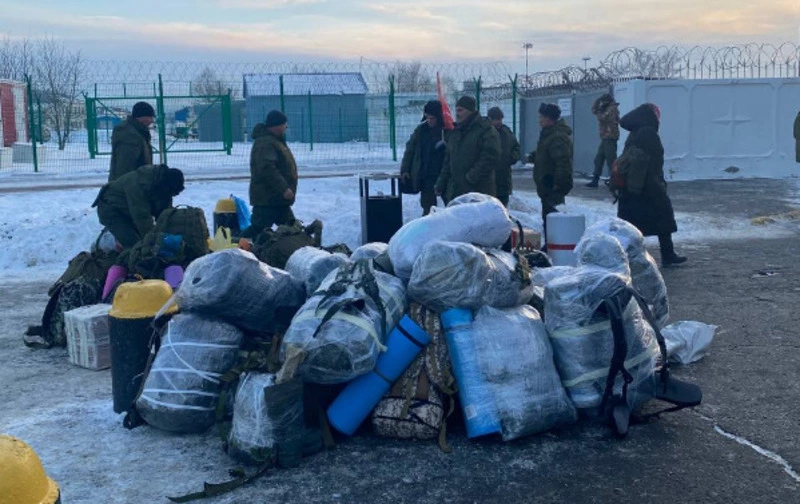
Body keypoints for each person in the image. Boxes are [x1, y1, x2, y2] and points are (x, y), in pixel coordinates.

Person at [617, 103, 687, 266]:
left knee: (633, 223)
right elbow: (653, 162)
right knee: (663, 217)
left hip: (633, 185)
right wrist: (658, 184)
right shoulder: (648, 133)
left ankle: (630, 256)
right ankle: (667, 255)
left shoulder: (635, 131)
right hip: (647, 185)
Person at [93, 164, 185, 249]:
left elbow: (165, 213)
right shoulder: (138, 185)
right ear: (166, 186)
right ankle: (105, 247)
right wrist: (154, 242)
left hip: (128, 210)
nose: (171, 196)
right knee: (135, 245)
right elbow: (142, 218)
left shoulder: (162, 185)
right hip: (110, 210)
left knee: (144, 240)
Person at [435, 96, 500, 203]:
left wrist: (470, 177)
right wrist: (441, 182)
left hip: (478, 192)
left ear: (470, 111)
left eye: (460, 110)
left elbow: (490, 157)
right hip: (457, 191)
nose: (457, 114)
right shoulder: (455, 132)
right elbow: (448, 160)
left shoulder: (485, 130)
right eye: (456, 110)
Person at [245, 110, 299, 237]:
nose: (286, 127)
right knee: (258, 230)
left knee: (291, 229)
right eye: (284, 124)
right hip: (267, 198)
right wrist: (284, 188)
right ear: (277, 125)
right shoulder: (265, 143)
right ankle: (235, 248)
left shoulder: (274, 141)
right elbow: (267, 169)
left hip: (276, 199)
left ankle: (291, 251)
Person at [529, 103, 573, 248]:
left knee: (554, 220)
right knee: (548, 219)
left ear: (550, 119)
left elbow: (563, 162)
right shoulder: (548, 134)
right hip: (547, 187)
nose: (539, 120)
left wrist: (557, 184)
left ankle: (555, 248)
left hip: (553, 188)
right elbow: (549, 155)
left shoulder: (557, 136)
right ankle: (551, 246)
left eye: (542, 117)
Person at [400, 100, 447, 215]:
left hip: (445, 174)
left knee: (451, 205)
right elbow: (410, 150)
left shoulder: (446, 131)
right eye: (428, 117)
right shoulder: (421, 131)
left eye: (433, 118)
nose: (430, 120)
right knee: (428, 207)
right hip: (427, 176)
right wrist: (405, 169)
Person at [108, 101, 155, 182]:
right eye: (149, 117)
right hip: (130, 187)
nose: (151, 120)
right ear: (140, 117)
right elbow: (124, 168)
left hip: (135, 183)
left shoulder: (138, 131)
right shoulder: (130, 135)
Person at [487, 106, 521, 207]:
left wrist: (511, 158)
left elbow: (516, 147)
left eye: (500, 119)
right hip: (489, 179)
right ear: (490, 119)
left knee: (502, 207)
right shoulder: (485, 132)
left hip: (504, 178)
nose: (499, 122)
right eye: (496, 119)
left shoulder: (506, 132)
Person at [587, 93, 620, 187]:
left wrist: (599, 110)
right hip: (605, 137)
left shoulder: (612, 109)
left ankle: (615, 180)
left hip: (610, 137)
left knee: (611, 160)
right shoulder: (606, 107)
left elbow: (603, 118)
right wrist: (597, 101)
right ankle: (595, 180)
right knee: (598, 159)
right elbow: (594, 110)